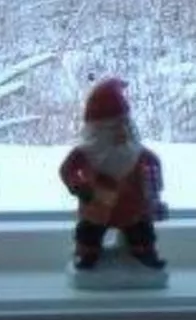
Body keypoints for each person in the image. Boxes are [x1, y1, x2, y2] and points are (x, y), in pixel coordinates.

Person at [58, 77, 168, 271]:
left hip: (133, 209)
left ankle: (145, 252)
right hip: (96, 209)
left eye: (124, 126)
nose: (121, 133)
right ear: (97, 130)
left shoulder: (139, 153)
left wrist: (154, 188)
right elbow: (67, 171)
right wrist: (79, 187)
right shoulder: (85, 154)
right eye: (112, 128)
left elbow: (154, 165)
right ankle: (86, 255)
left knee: (142, 232)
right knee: (88, 233)